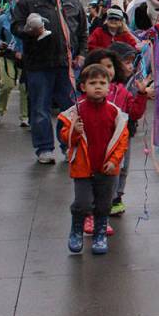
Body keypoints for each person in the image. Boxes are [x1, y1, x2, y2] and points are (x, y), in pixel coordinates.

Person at [10, 0, 88, 164]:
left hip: (66, 64)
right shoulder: (29, 0)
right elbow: (15, 26)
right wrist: (29, 31)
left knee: (69, 108)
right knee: (40, 108)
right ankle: (44, 148)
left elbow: (82, 29)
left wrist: (81, 53)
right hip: (38, 64)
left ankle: (69, 146)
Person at [58, 63, 129, 255]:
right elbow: (65, 136)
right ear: (83, 86)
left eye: (102, 83)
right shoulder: (76, 111)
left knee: (104, 204)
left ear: (109, 86)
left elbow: (121, 140)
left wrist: (114, 160)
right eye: (92, 83)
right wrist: (74, 132)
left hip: (107, 168)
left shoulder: (114, 112)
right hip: (83, 167)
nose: (98, 86)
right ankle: (77, 229)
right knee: (83, 202)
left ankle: (100, 233)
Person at [84, 47, 153, 221]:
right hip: (97, 138)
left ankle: (116, 197)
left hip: (121, 137)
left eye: (110, 66)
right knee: (96, 168)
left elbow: (134, 112)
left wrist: (142, 94)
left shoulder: (122, 90)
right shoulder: (91, 92)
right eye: (101, 66)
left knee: (121, 168)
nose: (107, 70)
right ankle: (95, 199)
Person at [0, 0, 28, 126]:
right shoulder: (3, 18)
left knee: (24, 87)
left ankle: (25, 117)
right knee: (7, 85)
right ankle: (0, 110)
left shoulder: (29, 18)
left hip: (24, 57)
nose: (18, 1)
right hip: (7, 55)